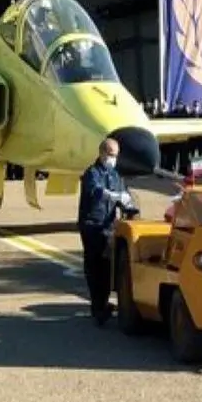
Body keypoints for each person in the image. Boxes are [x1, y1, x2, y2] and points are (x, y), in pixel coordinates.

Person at [77, 138, 137, 326]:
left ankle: (102, 304)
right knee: (94, 268)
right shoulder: (92, 173)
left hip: (108, 227)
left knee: (107, 268)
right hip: (92, 226)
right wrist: (112, 195)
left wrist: (127, 202)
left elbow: (122, 195)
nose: (113, 159)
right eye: (111, 155)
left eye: (115, 156)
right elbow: (95, 191)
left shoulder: (115, 175)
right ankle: (98, 308)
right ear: (102, 154)